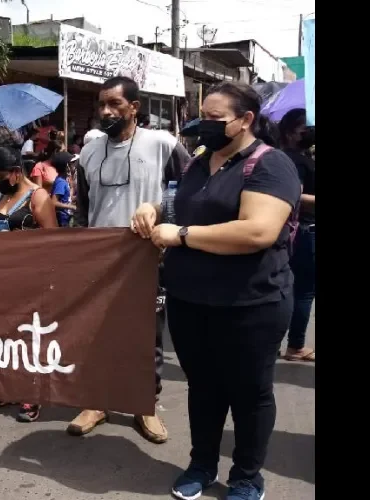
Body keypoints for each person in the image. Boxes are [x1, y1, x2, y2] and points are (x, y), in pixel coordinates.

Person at [132, 81, 301, 500]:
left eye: (214, 118)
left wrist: (182, 235)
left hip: (251, 303)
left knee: (249, 392)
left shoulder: (270, 165)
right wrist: (154, 208)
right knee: (203, 387)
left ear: (245, 121)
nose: (201, 124)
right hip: (192, 301)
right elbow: (178, 204)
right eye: (200, 114)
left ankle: (246, 477)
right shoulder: (197, 163)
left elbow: (258, 230)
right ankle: (201, 464)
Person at [71, 76, 190, 445]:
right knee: (96, 332)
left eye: (115, 104)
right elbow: (84, 209)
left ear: (134, 108)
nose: (106, 111)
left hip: (147, 257)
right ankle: (97, 402)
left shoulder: (163, 145)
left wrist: (160, 213)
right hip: (99, 258)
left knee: (145, 335)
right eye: (102, 104)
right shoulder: (88, 153)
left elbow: (191, 193)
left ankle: (145, 406)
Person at [0, 143, 58, 422]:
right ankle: (7, 389)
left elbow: (52, 240)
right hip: (1, 279)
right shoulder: (1, 196)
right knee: (4, 336)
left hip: (30, 281)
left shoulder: (38, 197)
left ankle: (32, 395)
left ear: (14, 172)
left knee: (29, 338)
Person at [278, 108, 316, 362]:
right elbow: (295, 196)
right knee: (303, 290)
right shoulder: (293, 160)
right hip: (303, 230)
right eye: (306, 126)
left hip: (299, 231)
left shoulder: (299, 157)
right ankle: (295, 345)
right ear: (291, 132)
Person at [50, 152, 77, 227]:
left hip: (66, 218)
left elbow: (68, 198)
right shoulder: (61, 182)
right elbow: (54, 202)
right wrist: (72, 207)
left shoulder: (65, 180)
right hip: (62, 220)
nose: (74, 165)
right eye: (72, 163)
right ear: (66, 166)